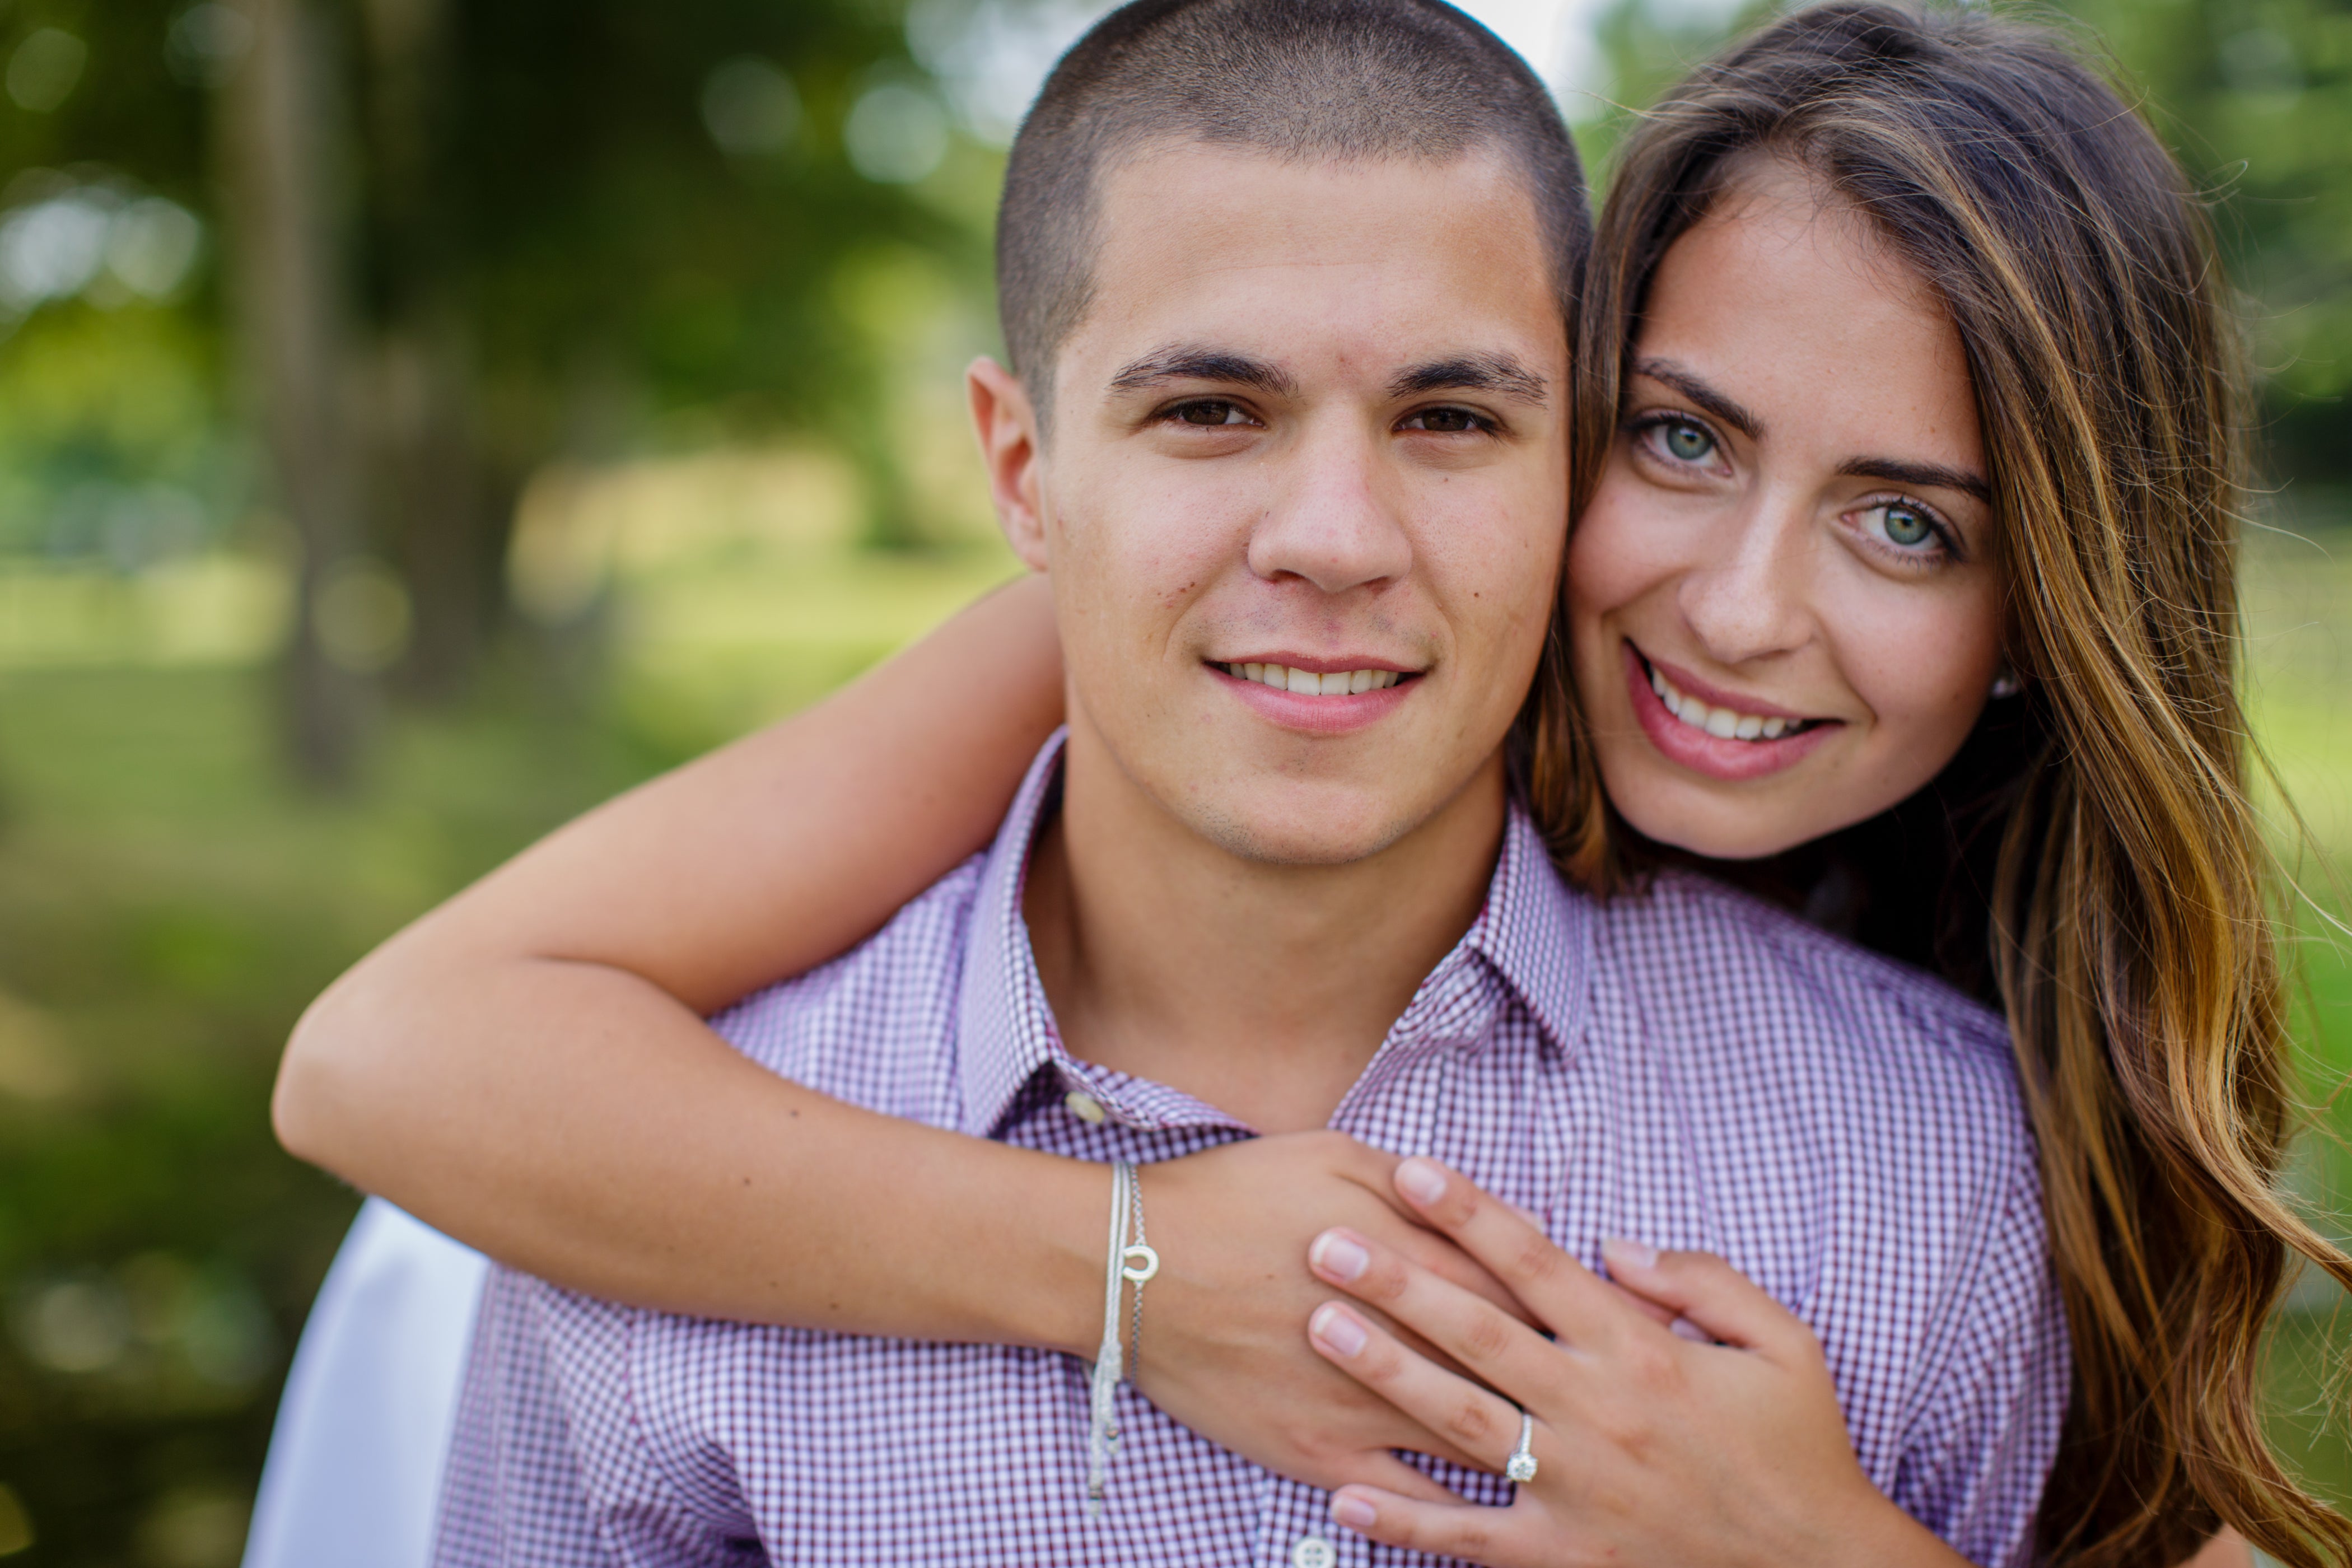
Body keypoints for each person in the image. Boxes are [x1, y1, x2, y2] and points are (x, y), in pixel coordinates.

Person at [267, 2, 2334, 1565]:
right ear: (1026, 475)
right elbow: (393, 1052)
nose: (1738, 607)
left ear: (2044, 623)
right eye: (1686, 443)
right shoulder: (1196, 636)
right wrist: (1121, 1269)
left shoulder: (1960, 1159)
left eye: (1913, 526)